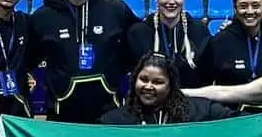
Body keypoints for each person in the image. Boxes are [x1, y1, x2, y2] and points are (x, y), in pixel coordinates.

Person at [27, 0, 141, 123]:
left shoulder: (116, 9)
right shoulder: (43, 17)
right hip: (61, 117)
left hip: (110, 116)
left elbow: (137, 52)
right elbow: (27, 62)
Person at [200, 0, 262, 114]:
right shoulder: (219, 42)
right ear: (235, 9)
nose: (249, 11)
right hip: (231, 119)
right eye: (243, 6)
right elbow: (205, 84)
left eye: (256, 6)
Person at [125, 0, 213, 89]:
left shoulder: (200, 31)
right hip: (150, 103)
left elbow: (208, 77)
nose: (172, 1)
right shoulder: (137, 33)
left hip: (191, 103)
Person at [100, 53, 235, 125]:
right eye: (143, 79)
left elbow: (240, 122)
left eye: (158, 82)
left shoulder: (199, 111)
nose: (148, 86)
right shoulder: (115, 121)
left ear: (171, 86)